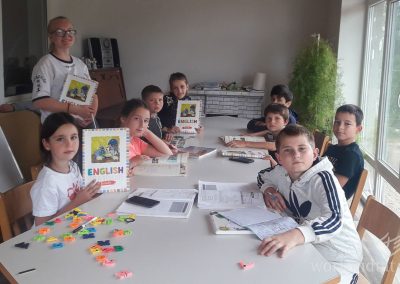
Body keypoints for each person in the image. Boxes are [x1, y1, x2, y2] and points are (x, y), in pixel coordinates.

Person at [257, 125, 362, 283]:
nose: (296, 155)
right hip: (308, 248)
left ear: (314, 154)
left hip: (337, 260)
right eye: (288, 150)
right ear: (279, 158)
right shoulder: (282, 171)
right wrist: (269, 190)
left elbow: (334, 219)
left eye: (302, 149)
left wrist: (295, 235)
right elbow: (262, 176)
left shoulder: (324, 179)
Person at [30, 112, 101, 226]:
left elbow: (84, 194)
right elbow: (41, 226)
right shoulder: (47, 183)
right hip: (52, 238)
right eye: (60, 139)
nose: (69, 144)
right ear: (47, 144)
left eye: (73, 137)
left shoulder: (73, 166)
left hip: (73, 226)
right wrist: (77, 202)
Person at [31, 16, 98, 126]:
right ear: (51, 37)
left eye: (70, 31)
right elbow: (39, 101)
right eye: (60, 32)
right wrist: (73, 109)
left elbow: (92, 95)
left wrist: (90, 116)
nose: (67, 35)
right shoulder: (45, 64)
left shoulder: (80, 65)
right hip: (56, 126)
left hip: (78, 124)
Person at [323, 104, 364, 200]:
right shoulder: (333, 148)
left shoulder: (352, 155)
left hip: (331, 204)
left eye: (347, 124)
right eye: (337, 122)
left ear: (358, 129)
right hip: (319, 194)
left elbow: (332, 188)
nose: (340, 127)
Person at [120, 99, 173, 168]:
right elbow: (104, 172)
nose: (142, 125)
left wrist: (146, 132)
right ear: (123, 119)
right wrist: (131, 163)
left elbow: (168, 154)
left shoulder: (135, 141)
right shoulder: (111, 141)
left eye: (146, 120)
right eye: (136, 118)